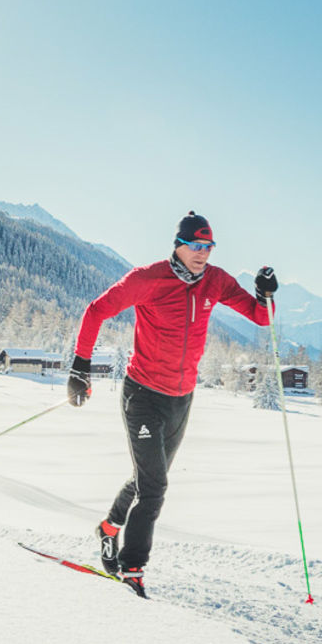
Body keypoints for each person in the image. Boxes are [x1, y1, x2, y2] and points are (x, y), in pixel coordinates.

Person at [66, 211, 277, 597]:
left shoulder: (216, 281)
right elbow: (96, 310)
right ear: (177, 245)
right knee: (155, 488)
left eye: (208, 247)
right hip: (143, 393)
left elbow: (261, 319)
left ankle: (110, 526)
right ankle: (133, 570)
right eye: (196, 246)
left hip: (181, 398)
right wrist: (80, 366)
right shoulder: (148, 279)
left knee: (150, 476)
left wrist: (265, 294)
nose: (203, 254)